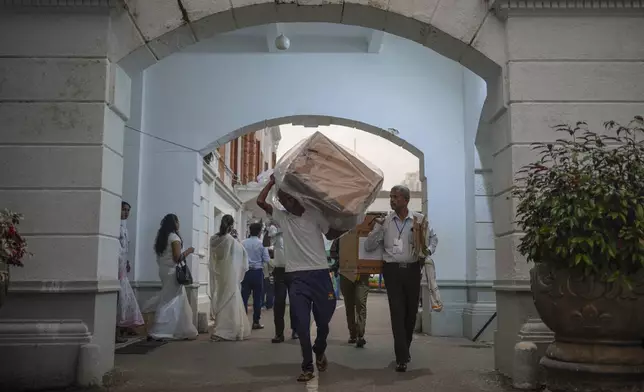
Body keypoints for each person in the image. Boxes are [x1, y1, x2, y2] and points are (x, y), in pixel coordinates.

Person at [257, 174, 345, 382]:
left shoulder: (315, 214)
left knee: (324, 319)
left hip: (320, 274)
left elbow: (331, 234)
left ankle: (320, 348)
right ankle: (307, 366)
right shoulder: (283, 218)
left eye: (287, 199)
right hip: (296, 277)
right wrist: (271, 182)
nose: (285, 203)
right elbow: (261, 202)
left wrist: (347, 220)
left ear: (297, 197)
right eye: (282, 200)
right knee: (302, 323)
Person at [364, 185, 438, 372]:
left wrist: (426, 251)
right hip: (392, 271)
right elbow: (369, 246)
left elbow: (434, 238)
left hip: (413, 270)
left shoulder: (419, 220)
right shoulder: (386, 221)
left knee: (410, 313)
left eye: (395, 197)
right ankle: (401, 357)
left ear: (406, 200)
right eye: (390, 197)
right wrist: (378, 228)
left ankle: (405, 348)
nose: (392, 200)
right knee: (397, 312)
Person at [146, 214, 199, 341]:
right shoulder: (174, 238)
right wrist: (189, 251)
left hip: (164, 271)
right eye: (177, 221)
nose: (179, 224)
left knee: (172, 298)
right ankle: (163, 330)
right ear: (174, 223)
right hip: (173, 273)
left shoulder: (162, 238)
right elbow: (177, 257)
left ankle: (176, 328)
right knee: (170, 301)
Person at [209, 214, 251, 342]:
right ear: (231, 226)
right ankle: (230, 328)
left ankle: (221, 327)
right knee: (231, 299)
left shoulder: (213, 239)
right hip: (231, 274)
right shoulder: (231, 240)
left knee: (222, 297)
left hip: (220, 273)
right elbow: (243, 255)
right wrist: (236, 239)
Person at [330, 238, 370, 348]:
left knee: (361, 303)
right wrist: (340, 260)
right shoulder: (343, 234)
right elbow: (333, 251)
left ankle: (360, 335)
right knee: (349, 305)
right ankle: (353, 333)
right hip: (346, 273)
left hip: (362, 273)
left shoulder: (365, 232)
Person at [116, 201, 144, 343]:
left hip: (122, 270)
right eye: (123, 210)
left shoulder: (124, 228)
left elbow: (125, 248)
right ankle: (116, 332)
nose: (126, 213)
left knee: (124, 301)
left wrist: (127, 262)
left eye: (128, 210)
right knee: (118, 301)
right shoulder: (115, 227)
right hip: (116, 270)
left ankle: (123, 329)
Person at [267, 222, 298, 343]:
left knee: (295, 302)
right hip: (279, 270)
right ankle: (279, 333)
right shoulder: (274, 229)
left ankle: (296, 330)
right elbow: (268, 241)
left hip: (293, 269)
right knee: (279, 302)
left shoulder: (294, 229)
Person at [241, 222, 270, 330]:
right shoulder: (262, 244)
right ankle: (256, 322)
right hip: (257, 272)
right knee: (257, 298)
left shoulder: (243, 243)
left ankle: (242, 321)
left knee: (244, 297)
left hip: (246, 272)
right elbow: (267, 259)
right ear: (259, 232)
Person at [261, 229, 275, 310]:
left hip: (265, 275)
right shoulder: (271, 260)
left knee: (264, 291)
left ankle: (263, 304)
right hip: (269, 275)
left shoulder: (264, 249)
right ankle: (268, 304)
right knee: (269, 291)